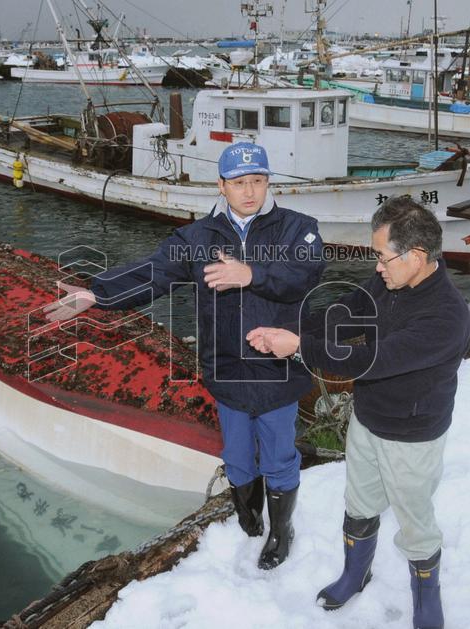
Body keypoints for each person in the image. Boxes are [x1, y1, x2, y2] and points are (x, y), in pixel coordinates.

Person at [45, 142, 325, 569]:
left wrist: (249, 273)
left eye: (258, 181)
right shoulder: (197, 238)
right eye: (239, 183)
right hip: (226, 367)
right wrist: (96, 294)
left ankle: (280, 531)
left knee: (279, 455)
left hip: (277, 369)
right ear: (221, 185)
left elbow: (303, 274)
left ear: (269, 183)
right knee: (235, 455)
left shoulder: (297, 229)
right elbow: (153, 273)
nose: (249, 192)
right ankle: (249, 515)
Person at [246, 196, 470, 628]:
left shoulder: (446, 317)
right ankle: (356, 572)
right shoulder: (389, 281)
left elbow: (370, 360)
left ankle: (427, 599)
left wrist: (298, 349)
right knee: (359, 502)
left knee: (415, 520)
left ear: (417, 256)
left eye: (383, 258)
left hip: (413, 434)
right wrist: (294, 329)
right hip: (368, 419)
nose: (378, 267)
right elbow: (347, 316)